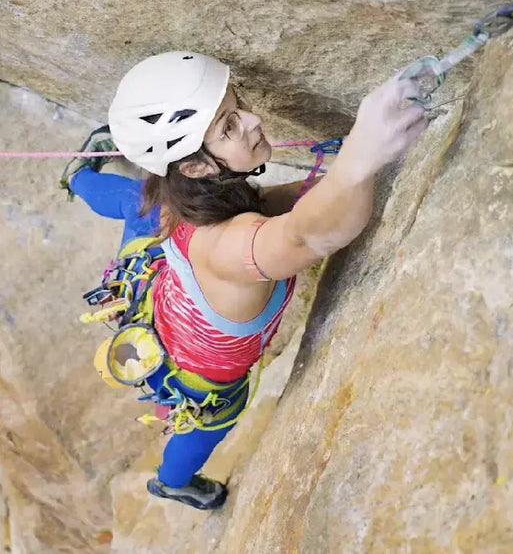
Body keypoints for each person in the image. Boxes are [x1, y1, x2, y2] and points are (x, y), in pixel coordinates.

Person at [103, 51, 426, 510]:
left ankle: (80, 182)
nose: (254, 121)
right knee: (205, 428)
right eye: (229, 126)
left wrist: (324, 181)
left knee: (136, 207)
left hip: (159, 299)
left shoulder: (183, 196)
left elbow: (269, 206)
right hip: (199, 375)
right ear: (195, 167)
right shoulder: (230, 247)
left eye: (238, 108)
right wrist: (358, 161)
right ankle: (172, 482)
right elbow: (304, 235)